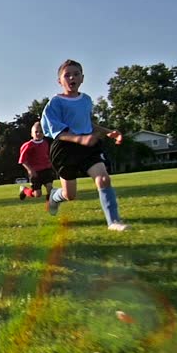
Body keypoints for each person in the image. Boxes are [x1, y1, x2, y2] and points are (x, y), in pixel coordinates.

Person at [40, 59, 127, 231]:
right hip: (64, 148)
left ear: (82, 78)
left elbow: (87, 124)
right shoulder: (55, 102)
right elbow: (55, 130)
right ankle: (54, 197)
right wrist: (78, 139)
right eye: (67, 75)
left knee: (103, 179)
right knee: (70, 195)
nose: (72, 77)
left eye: (76, 74)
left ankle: (113, 222)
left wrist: (108, 132)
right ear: (59, 81)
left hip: (88, 146)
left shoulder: (86, 100)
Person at [17, 121, 55, 200]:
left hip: (46, 170)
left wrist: (51, 164)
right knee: (37, 194)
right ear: (32, 134)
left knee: (49, 187)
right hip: (35, 172)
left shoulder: (45, 143)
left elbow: (46, 156)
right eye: (36, 132)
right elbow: (22, 160)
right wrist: (30, 170)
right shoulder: (28, 145)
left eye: (41, 132)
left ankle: (50, 203)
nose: (38, 133)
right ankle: (24, 190)